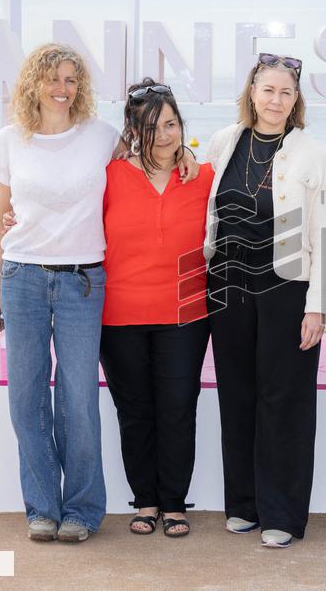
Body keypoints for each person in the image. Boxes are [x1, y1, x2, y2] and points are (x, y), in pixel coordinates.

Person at [203, 53, 326, 548]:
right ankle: (243, 504)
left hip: (287, 288)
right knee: (237, 395)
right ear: (252, 93)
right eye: (268, 90)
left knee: (285, 400)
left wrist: (319, 306)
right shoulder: (223, 142)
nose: (276, 100)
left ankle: (281, 513)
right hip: (227, 285)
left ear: (296, 99)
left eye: (286, 91)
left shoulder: (315, 155)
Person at [0, 44, 118, 543]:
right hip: (22, 277)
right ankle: (42, 506)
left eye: (71, 79)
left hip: (83, 280)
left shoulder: (102, 136)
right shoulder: (9, 140)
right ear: (33, 84)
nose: (63, 89)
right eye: (53, 79)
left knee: (78, 397)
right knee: (25, 396)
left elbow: (156, 155)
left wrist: (189, 156)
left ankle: (83, 509)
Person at [97, 79, 215, 538]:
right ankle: (145, 500)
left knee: (179, 408)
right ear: (132, 129)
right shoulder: (108, 176)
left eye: (171, 124)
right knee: (135, 410)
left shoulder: (202, 174)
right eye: (151, 127)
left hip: (186, 315)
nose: (164, 135)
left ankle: (174, 502)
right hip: (119, 314)